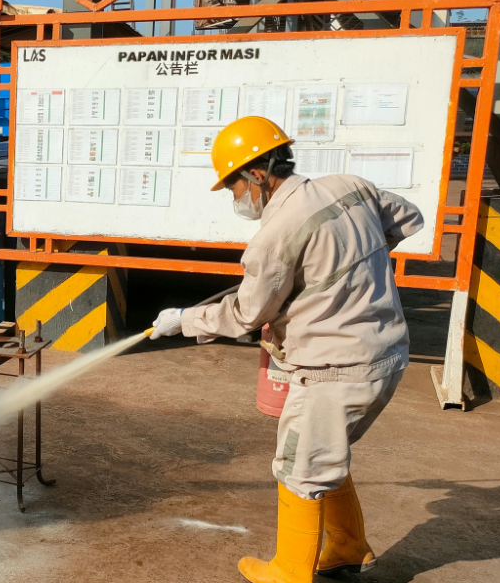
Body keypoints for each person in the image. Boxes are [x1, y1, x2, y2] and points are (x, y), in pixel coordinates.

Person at [149, 116, 424, 583]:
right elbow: (408, 218)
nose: (235, 197)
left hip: (334, 372)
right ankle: (347, 547)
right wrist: (351, 265)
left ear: (257, 174)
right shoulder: (350, 186)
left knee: (298, 468)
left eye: (233, 186)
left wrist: (184, 319)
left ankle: (290, 572)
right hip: (387, 355)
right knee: (324, 455)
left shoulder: (273, 237)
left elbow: (245, 314)